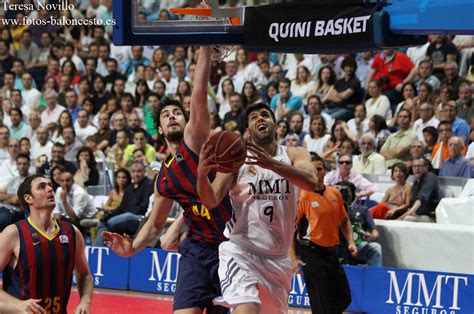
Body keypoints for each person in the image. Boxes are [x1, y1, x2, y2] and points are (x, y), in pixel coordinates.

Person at [102, 47, 232, 314]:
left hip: (230, 247)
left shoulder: (195, 141)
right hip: (196, 250)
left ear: (187, 122)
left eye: (177, 112)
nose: (172, 115)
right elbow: (154, 224)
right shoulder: (163, 177)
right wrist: (132, 249)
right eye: (166, 114)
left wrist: (205, 49)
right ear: (159, 129)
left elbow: (197, 96)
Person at [196, 102, 317, 313]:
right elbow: (211, 199)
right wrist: (201, 176)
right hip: (242, 251)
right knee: (247, 308)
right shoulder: (237, 160)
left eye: (265, 115)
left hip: (278, 259)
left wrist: (272, 164)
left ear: (275, 124)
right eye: (253, 117)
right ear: (248, 131)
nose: (260, 119)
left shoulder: (295, 154)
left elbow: (311, 182)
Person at [0, 174, 93, 313]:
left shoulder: (72, 232)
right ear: (28, 198)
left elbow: (84, 275)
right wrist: (17, 305)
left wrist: (85, 301)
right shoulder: (13, 233)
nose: (50, 189)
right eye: (42, 187)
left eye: (49, 185)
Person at [291, 154, 356, 314]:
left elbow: (344, 221)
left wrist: (351, 242)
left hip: (331, 252)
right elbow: (291, 229)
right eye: (312, 170)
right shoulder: (303, 195)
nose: (316, 172)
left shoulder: (335, 193)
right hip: (311, 253)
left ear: (325, 172)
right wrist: (293, 258)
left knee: (344, 297)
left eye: (319, 169)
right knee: (320, 302)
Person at [336, 181, 382, 267]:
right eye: (340, 192)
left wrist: (370, 237)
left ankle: (375, 276)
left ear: (353, 194)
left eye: (347, 192)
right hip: (336, 245)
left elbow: (375, 232)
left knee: (375, 247)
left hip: (357, 245)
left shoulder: (362, 210)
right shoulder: (330, 209)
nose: (344, 195)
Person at [400, 158, 441, 222]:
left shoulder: (430, 177)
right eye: (414, 166)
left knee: (408, 219)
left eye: (419, 166)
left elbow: (422, 197)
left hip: (429, 216)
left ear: (426, 167)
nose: (416, 169)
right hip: (417, 214)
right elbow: (411, 205)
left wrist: (410, 212)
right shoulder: (415, 183)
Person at [0, 153, 30, 231]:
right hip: (5, 210)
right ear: (16, 165)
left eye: (25, 164)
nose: (22, 166)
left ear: (29, 165)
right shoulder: (13, 179)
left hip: (18, 213)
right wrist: (10, 197)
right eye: (19, 164)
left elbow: (16, 200)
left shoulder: (31, 180)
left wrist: (5, 198)